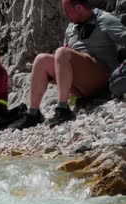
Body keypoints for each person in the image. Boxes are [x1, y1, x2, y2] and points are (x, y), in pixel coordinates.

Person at [11, 0, 126, 130]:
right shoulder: (71, 27)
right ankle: (33, 114)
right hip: (80, 83)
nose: (65, 15)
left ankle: (63, 109)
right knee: (41, 59)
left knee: (62, 52)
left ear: (78, 7)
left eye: (67, 11)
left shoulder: (105, 19)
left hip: (103, 76)